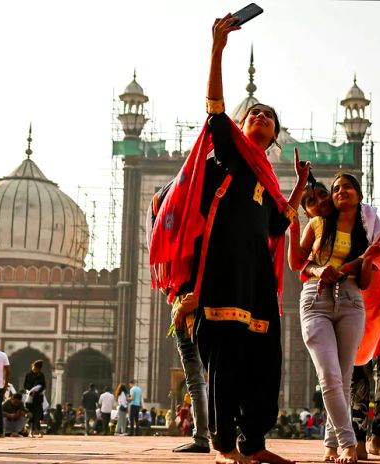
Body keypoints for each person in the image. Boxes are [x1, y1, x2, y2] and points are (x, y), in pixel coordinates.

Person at [149, 12, 312, 464]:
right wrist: (218, 48)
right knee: (226, 361)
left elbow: (277, 226)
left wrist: (297, 187)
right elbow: (216, 110)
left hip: (258, 280)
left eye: (268, 117)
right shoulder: (228, 156)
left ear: (274, 136)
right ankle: (223, 447)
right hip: (221, 273)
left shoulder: (265, 180)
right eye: (254, 114)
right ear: (243, 128)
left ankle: (254, 444)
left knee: (264, 361)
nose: (260, 116)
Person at [291, 174, 380, 464]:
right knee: (330, 376)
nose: (338, 192)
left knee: (343, 379)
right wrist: (318, 269)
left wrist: (367, 259)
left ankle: (330, 445)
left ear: (359, 194)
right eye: (335, 189)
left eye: (346, 186)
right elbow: (297, 263)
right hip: (316, 300)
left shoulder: (365, 231)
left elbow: (364, 282)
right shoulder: (319, 224)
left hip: (350, 301)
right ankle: (349, 443)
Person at [149, 183, 210, 454]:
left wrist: (183, 305)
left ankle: (205, 437)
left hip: (200, 311)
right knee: (200, 377)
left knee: (203, 377)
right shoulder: (189, 237)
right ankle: (205, 436)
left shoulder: (192, 237)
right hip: (188, 312)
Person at [23, 359, 46, 438]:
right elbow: (25, 385)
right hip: (30, 398)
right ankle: (33, 431)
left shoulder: (41, 375)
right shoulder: (28, 375)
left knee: (37, 415)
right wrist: (30, 390)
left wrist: (37, 391)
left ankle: (35, 431)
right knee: (32, 415)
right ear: (32, 366)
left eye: (36, 368)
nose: (34, 369)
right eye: (34, 367)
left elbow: (43, 386)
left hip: (38, 398)